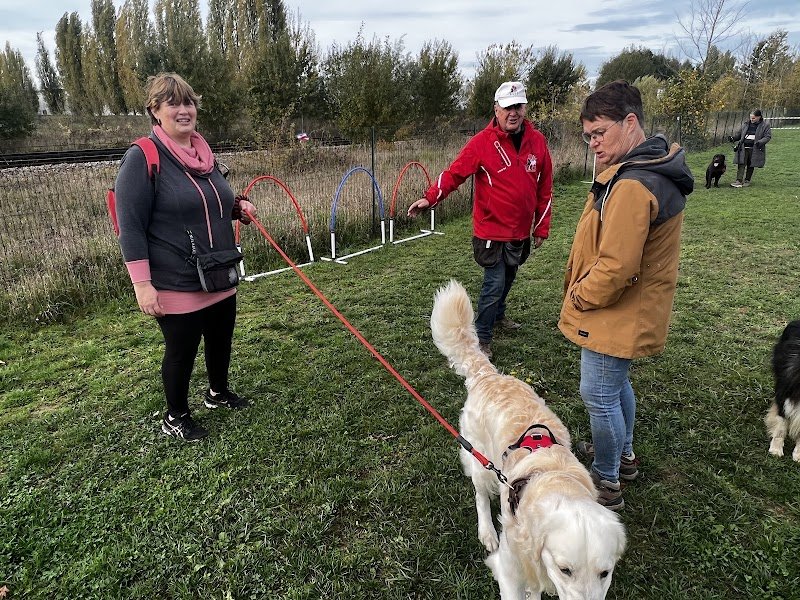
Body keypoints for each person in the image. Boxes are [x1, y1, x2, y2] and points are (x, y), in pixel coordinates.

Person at [558, 80, 693, 510]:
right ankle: (624, 456)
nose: (593, 143)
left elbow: (616, 266)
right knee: (615, 388)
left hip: (614, 310)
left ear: (629, 122)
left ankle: (607, 479)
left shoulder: (634, 184)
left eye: (599, 132)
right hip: (627, 309)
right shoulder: (643, 169)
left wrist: (579, 297)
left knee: (598, 395)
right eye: (588, 136)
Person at [115, 72, 257, 442]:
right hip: (176, 277)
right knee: (181, 351)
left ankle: (218, 393)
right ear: (155, 111)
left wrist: (236, 206)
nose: (184, 110)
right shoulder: (142, 157)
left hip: (218, 269)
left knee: (221, 338)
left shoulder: (205, 155)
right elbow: (130, 227)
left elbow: (208, 202)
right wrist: (142, 285)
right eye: (174, 103)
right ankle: (175, 416)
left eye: (189, 102)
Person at [407, 81, 553, 359]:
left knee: (509, 278)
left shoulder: (538, 142)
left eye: (518, 106)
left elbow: (545, 187)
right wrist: (430, 197)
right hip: (491, 230)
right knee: (494, 283)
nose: (514, 112)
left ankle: (498, 316)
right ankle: (482, 338)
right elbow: (454, 173)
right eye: (508, 107)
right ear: (496, 109)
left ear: (525, 108)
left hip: (520, 230)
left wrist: (541, 226)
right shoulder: (481, 143)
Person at [730, 109, 772, 188]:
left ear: (759, 117)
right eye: (751, 118)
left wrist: (760, 142)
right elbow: (740, 134)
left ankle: (747, 180)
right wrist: (734, 138)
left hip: (755, 148)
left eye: (753, 118)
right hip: (743, 147)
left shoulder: (765, 125)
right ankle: (738, 181)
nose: (751, 120)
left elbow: (767, 136)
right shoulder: (746, 124)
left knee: (751, 164)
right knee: (741, 163)